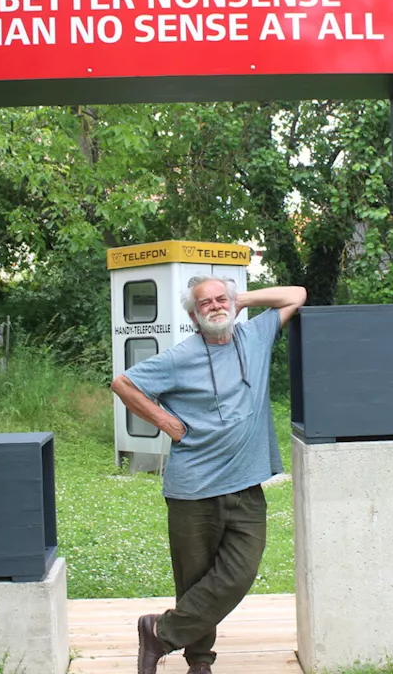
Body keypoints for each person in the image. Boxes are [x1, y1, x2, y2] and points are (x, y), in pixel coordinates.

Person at [110, 276, 307, 674]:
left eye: (221, 300)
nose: (215, 307)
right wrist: (168, 423)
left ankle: (159, 633)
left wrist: (237, 298)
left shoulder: (255, 335)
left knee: (240, 573)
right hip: (193, 489)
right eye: (205, 304)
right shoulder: (180, 357)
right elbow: (123, 383)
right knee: (195, 578)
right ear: (193, 315)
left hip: (246, 485)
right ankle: (200, 661)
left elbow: (297, 295)